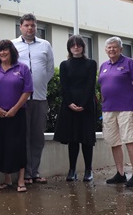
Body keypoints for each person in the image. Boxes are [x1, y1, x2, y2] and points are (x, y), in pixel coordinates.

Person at [12, 13, 54, 185]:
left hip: (39, 97)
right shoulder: (13, 45)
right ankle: (25, 173)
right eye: (27, 25)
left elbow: (49, 70)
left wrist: (39, 83)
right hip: (19, 100)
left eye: (33, 25)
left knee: (37, 136)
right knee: (23, 136)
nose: (30, 28)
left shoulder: (45, 45)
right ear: (20, 27)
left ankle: (34, 172)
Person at [0, 40, 33, 193]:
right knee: (1, 146)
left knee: (18, 146)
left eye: (5, 50)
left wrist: (14, 109)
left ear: (12, 51)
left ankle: (20, 180)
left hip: (17, 114)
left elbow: (27, 91)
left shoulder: (23, 68)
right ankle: (7, 179)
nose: (2, 53)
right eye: (0, 50)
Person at [99, 36, 133, 187]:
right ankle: (120, 173)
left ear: (120, 49)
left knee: (130, 140)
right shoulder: (103, 65)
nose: (112, 50)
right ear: (106, 50)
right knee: (114, 141)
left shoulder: (129, 63)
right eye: (109, 47)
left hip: (127, 108)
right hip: (108, 109)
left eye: (114, 47)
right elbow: (103, 86)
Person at [53, 35, 97, 182]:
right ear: (69, 48)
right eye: (73, 45)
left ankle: (88, 170)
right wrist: (69, 103)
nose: (76, 47)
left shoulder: (91, 63)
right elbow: (64, 86)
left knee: (87, 140)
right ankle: (72, 170)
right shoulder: (64, 65)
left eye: (79, 45)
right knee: (73, 140)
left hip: (87, 106)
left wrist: (83, 104)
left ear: (83, 47)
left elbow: (91, 85)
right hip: (69, 106)